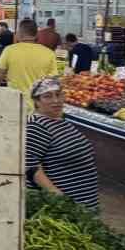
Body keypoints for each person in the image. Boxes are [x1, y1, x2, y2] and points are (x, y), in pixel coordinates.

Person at [26, 78, 100, 211]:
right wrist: (60, 199)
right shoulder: (36, 125)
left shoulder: (59, 121)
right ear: (37, 101)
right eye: (48, 96)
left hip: (83, 204)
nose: (56, 100)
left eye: (59, 94)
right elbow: (31, 167)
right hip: (64, 207)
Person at [0, 18, 58, 98]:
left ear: (19, 33)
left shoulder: (10, 50)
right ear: (37, 35)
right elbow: (53, 81)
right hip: (38, 104)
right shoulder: (49, 53)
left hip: (15, 101)